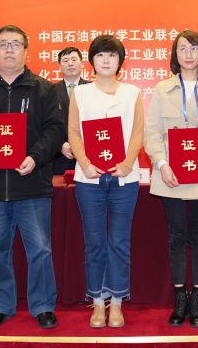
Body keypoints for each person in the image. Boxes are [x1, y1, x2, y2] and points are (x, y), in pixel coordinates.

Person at [0, 25, 64, 329]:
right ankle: (0, 305)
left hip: (32, 184)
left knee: (40, 249)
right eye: (3, 44)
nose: (9, 49)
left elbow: (55, 130)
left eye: (15, 44)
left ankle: (43, 305)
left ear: (26, 51)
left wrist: (35, 157)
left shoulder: (43, 89)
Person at [144, 30, 198, 328]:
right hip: (170, 173)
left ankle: (197, 299)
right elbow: (151, 132)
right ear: (175, 54)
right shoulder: (162, 89)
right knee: (176, 237)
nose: (188, 54)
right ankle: (179, 297)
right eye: (182, 48)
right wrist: (162, 164)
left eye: (194, 48)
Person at [67, 35, 144, 328]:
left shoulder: (132, 92)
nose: (106, 60)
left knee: (120, 242)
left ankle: (118, 302)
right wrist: (85, 163)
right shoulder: (80, 93)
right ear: (92, 61)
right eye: (100, 55)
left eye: (112, 55)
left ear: (120, 61)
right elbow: (74, 132)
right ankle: (98, 301)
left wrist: (127, 163)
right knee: (95, 242)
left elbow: (138, 132)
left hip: (125, 179)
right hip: (89, 179)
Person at [52, 47, 90, 175]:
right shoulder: (50, 91)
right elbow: (45, 123)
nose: (70, 63)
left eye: (74, 59)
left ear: (82, 64)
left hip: (89, 157)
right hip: (60, 157)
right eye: (65, 60)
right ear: (59, 67)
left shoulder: (93, 89)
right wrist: (59, 145)